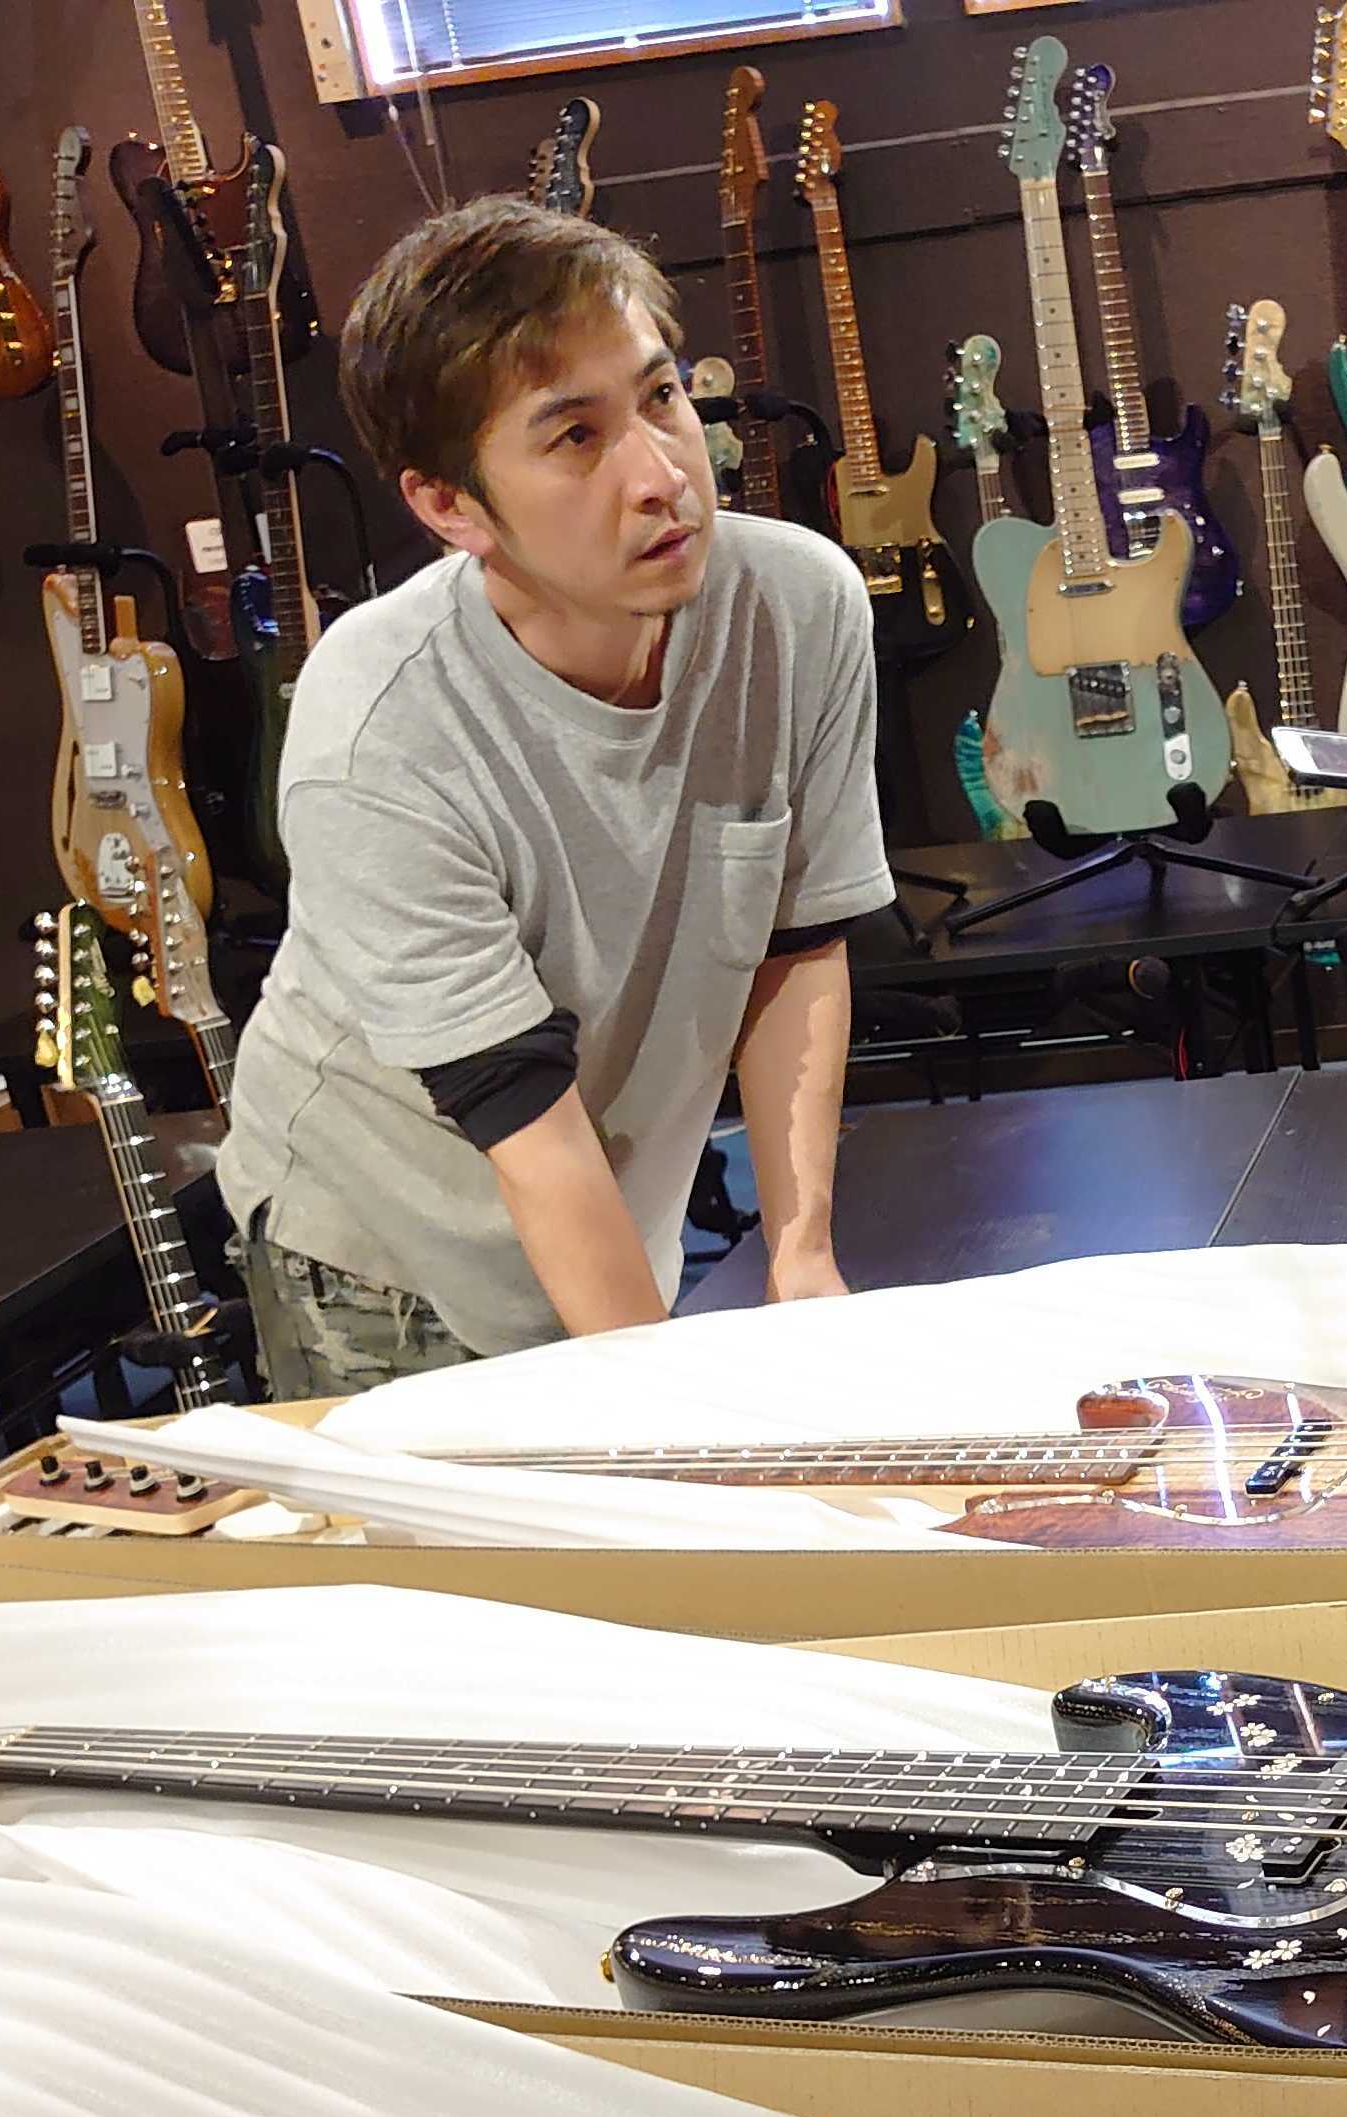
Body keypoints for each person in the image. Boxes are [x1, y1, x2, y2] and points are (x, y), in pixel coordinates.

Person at [217, 199, 880, 1399]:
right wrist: (660, 1403)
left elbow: (796, 946)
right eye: (576, 437)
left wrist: (801, 1261)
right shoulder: (379, 729)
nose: (663, 475)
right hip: (385, 1246)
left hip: (618, 1197)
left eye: (661, 397)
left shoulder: (799, 605)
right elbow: (520, 1115)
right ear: (451, 507)